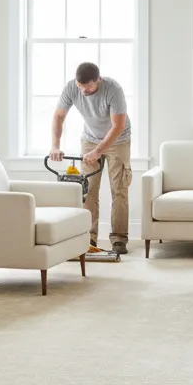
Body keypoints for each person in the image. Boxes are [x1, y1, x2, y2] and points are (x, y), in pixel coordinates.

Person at [50, 62, 132, 254]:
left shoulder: (113, 90)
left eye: (88, 87)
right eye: (81, 87)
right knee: (88, 189)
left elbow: (118, 126)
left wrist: (99, 151)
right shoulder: (72, 87)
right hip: (89, 139)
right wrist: (55, 145)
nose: (84, 91)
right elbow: (59, 116)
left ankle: (119, 239)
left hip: (118, 140)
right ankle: (89, 237)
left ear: (98, 81)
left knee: (119, 188)